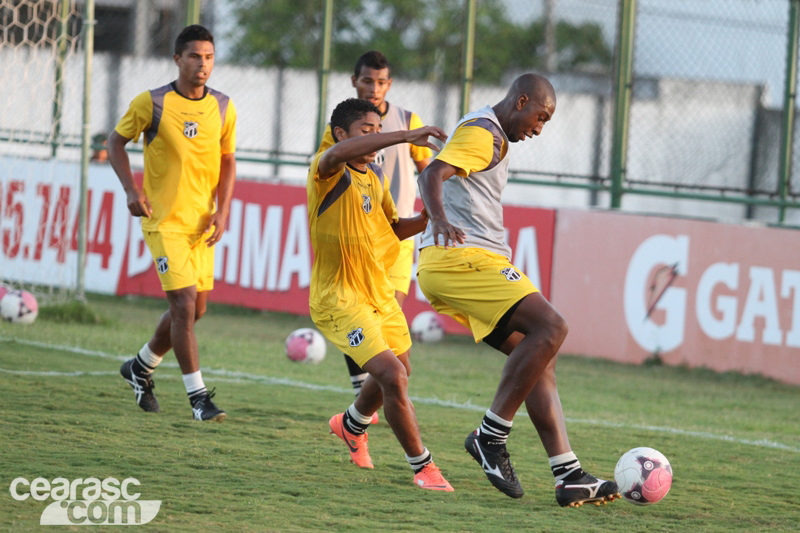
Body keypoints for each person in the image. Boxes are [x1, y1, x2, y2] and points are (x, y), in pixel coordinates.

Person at [416, 73, 620, 506]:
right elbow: (431, 173)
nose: (539, 128)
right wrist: (438, 219)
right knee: (552, 327)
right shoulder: (484, 135)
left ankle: (569, 475)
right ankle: (490, 437)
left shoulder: (486, 131)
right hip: (463, 258)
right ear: (521, 100)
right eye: (539, 116)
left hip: (463, 261)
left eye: (546, 122)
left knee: (539, 358)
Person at [309, 97, 452, 491]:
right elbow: (338, 153)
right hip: (339, 298)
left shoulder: (374, 179)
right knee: (392, 374)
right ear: (341, 135)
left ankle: (351, 424)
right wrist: (404, 136)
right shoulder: (327, 169)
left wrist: (429, 216)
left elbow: (392, 228)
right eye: (366, 132)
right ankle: (423, 467)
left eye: (378, 130)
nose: (374, 140)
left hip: (378, 292)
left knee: (400, 370)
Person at [107, 25, 236, 422]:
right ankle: (199, 399)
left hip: (201, 224)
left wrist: (223, 210)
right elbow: (115, 142)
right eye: (195, 56)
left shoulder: (223, 107)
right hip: (163, 221)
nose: (202, 64)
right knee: (181, 304)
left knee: (195, 310)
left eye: (209, 57)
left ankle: (140, 367)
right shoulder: (153, 103)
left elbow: (228, 160)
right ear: (178, 59)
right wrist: (131, 189)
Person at [317, 51, 433, 411]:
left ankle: (358, 413)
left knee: (389, 329)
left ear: (389, 84)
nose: (374, 88)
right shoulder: (343, 131)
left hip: (391, 233)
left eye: (381, 81)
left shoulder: (405, 120)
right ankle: (362, 394)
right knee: (367, 326)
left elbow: (426, 170)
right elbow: (335, 160)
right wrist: (401, 137)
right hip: (353, 237)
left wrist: (435, 211)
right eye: (368, 80)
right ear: (355, 81)